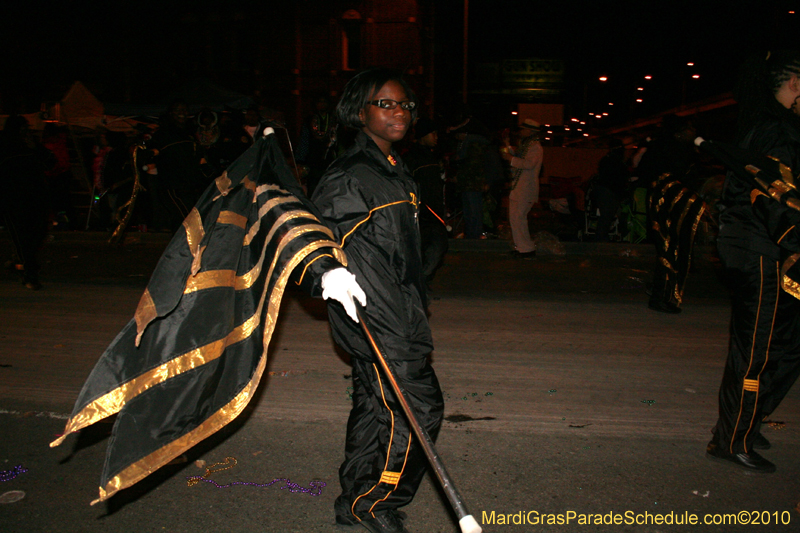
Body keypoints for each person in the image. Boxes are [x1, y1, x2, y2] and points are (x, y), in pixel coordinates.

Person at [307, 68, 444, 533]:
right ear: (359, 112)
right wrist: (327, 274)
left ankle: (357, 501)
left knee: (376, 409)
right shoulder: (351, 175)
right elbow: (311, 240)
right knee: (416, 409)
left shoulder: (395, 170)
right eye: (385, 103)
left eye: (405, 104)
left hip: (400, 310)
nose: (398, 112)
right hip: (375, 316)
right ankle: (376, 502)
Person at [707, 51, 800, 473]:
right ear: (794, 84)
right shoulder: (776, 132)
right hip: (760, 249)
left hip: (756, 247)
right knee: (756, 349)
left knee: (778, 343)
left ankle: (745, 422)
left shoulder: (765, 125)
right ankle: (732, 439)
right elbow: (776, 202)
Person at [637, 115, 701, 313]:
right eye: (689, 128)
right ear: (678, 133)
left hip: (666, 202)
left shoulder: (662, 149)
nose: (693, 132)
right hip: (671, 204)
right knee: (671, 249)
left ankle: (663, 294)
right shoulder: (676, 152)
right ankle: (662, 295)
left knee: (669, 250)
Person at [0, 115, 53, 289]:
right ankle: (29, 272)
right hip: (13, 198)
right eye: (22, 129)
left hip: (36, 196)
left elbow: (51, 162)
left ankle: (22, 262)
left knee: (38, 232)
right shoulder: (5, 145)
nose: (26, 132)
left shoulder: (32, 145)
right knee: (21, 236)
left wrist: (36, 148)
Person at [403, 116, 448, 284]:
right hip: (423, 213)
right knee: (432, 249)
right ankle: (417, 285)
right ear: (423, 135)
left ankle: (420, 285)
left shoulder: (431, 156)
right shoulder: (413, 158)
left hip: (432, 212)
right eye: (432, 134)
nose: (436, 138)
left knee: (433, 250)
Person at [501, 118, 543, 258]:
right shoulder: (528, 145)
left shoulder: (535, 147)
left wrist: (510, 158)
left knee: (518, 218)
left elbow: (528, 164)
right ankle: (523, 248)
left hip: (525, 189)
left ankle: (525, 249)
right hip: (520, 188)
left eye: (523, 129)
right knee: (516, 219)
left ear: (530, 131)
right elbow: (519, 158)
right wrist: (508, 146)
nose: (521, 132)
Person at [591, 138, 630, 242]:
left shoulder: (607, 160)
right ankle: (601, 238)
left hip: (606, 190)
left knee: (606, 216)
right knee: (606, 216)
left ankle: (601, 237)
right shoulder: (616, 161)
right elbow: (618, 177)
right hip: (609, 191)